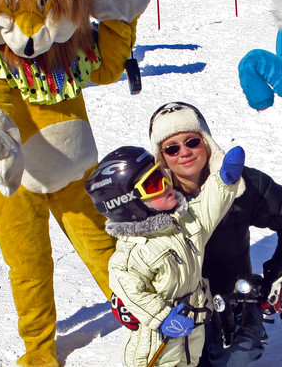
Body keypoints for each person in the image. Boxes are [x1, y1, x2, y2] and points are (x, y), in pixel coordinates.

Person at [134, 102, 282, 367]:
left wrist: (279, 276)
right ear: (161, 156)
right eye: (172, 148)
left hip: (231, 306)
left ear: (206, 140)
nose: (184, 152)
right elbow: (126, 257)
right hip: (175, 315)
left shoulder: (244, 186)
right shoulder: (147, 200)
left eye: (192, 141)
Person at [86, 144, 245, 367]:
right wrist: (162, 317)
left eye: (161, 174)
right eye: (153, 184)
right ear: (128, 203)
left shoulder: (182, 224)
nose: (166, 184)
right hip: (155, 342)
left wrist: (224, 181)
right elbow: (130, 293)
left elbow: (207, 207)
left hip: (190, 330)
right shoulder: (135, 251)